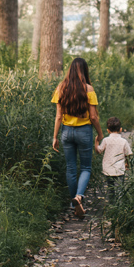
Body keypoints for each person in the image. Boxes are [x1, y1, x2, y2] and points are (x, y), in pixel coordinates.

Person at [51, 57, 104, 217]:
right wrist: (100, 133)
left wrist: (55, 137)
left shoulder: (61, 87)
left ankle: (75, 205)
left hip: (67, 132)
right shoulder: (89, 89)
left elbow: (58, 116)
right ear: (85, 70)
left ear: (70, 70)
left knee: (71, 169)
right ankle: (79, 197)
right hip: (84, 132)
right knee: (86, 168)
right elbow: (93, 117)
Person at [95, 116, 133, 200]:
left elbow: (99, 150)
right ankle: (120, 206)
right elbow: (128, 154)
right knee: (120, 189)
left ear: (108, 130)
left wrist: (96, 141)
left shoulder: (105, 140)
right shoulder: (124, 141)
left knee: (110, 189)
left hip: (108, 170)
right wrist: (127, 163)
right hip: (119, 169)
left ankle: (111, 204)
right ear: (120, 129)